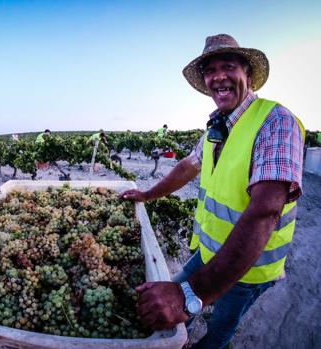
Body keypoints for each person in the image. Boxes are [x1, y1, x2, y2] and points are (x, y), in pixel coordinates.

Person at [120, 34, 304, 348]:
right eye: (210, 70)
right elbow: (188, 165)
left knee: (219, 330)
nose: (218, 76)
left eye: (228, 66)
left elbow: (265, 212)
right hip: (208, 253)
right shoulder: (217, 128)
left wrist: (191, 294)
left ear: (246, 72)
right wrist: (148, 194)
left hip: (249, 271)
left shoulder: (276, 122)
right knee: (169, 310)